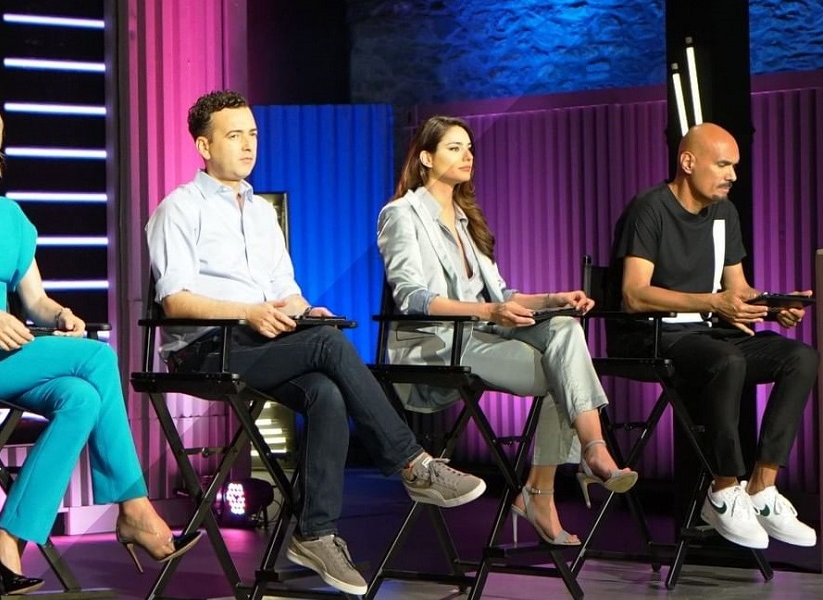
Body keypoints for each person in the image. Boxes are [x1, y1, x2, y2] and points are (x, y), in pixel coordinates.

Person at [145, 90, 487, 595]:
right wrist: (248, 312)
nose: (248, 145)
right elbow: (175, 301)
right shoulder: (178, 208)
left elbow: (285, 289)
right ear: (203, 145)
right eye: (234, 136)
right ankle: (414, 464)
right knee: (327, 346)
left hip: (260, 337)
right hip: (204, 347)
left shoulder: (260, 212)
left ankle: (315, 534)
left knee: (325, 392)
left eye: (252, 134)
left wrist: (304, 311)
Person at [0, 89, 201, 596]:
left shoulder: (9, 216)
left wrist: (61, 315)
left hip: (2, 350)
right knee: (98, 357)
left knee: (82, 397)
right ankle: (134, 508)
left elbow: (35, 301)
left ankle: (7, 538)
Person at [376, 115, 638, 547]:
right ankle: (546, 489)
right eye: (454, 148)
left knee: (565, 329)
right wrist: (488, 311)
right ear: (426, 158)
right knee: (564, 371)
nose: (468, 156)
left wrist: (553, 299)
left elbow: (501, 295)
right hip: (437, 343)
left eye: (469, 148)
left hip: (483, 332)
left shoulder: (467, 219)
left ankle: (591, 451)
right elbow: (412, 297)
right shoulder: (401, 214)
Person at [609, 121, 819, 550]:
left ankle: (762, 487)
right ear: (688, 162)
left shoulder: (725, 213)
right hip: (654, 333)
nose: (732, 175)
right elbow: (634, 294)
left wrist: (771, 306)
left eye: (734, 166)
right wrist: (713, 302)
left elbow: (736, 289)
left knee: (801, 358)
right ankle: (723, 490)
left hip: (707, 331)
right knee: (727, 361)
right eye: (723, 165)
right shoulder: (649, 209)